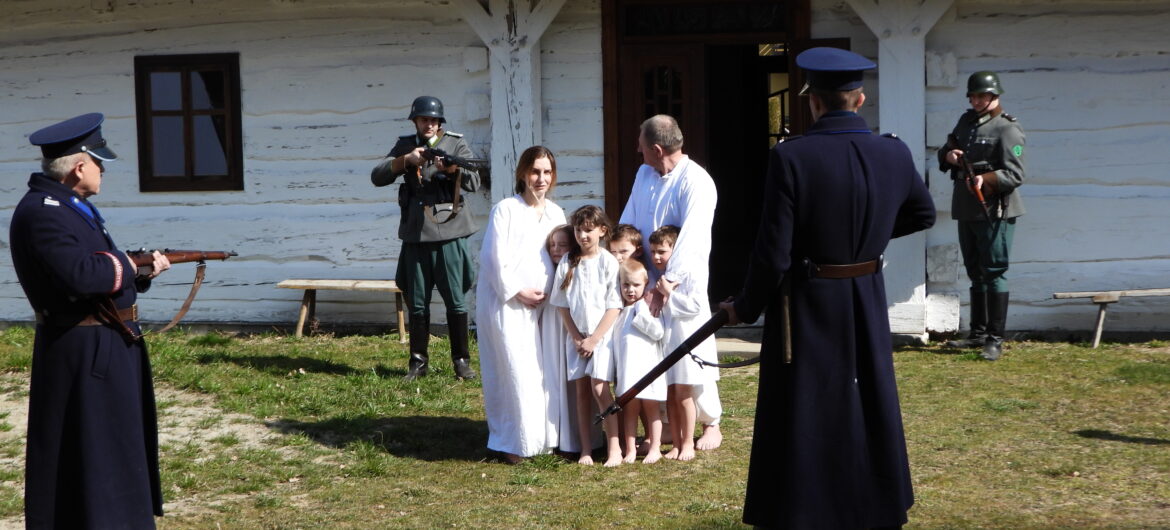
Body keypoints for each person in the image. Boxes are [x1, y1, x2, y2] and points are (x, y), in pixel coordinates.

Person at [718, 47, 936, 528]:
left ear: (813, 102)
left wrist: (746, 306)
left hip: (808, 301)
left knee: (808, 406)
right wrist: (869, 239)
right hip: (866, 295)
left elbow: (774, 252)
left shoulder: (792, 157)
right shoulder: (893, 151)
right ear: (858, 99)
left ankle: (804, 508)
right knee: (868, 398)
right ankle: (875, 505)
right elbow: (923, 213)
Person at [10, 113, 172, 527]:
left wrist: (141, 271)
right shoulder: (44, 211)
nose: (103, 170)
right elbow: (82, 274)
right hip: (82, 350)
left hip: (103, 342)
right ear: (80, 165)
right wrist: (130, 265)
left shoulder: (71, 207)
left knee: (113, 446)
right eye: (99, 162)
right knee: (94, 451)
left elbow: (102, 272)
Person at [618, 114, 724, 451]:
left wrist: (667, 284)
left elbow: (693, 238)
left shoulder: (697, 181)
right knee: (653, 351)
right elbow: (630, 219)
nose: (636, 149)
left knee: (689, 350)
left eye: (640, 143)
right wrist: (626, 262)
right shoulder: (645, 174)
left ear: (656, 148)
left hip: (682, 283)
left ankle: (711, 422)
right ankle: (663, 424)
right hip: (646, 280)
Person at [371, 95, 481, 380]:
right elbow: (378, 175)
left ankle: (461, 361)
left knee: (456, 301)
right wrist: (406, 160)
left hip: (450, 232)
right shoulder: (405, 145)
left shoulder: (455, 143)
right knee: (417, 301)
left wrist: (453, 169)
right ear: (415, 122)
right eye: (423, 119)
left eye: (433, 120)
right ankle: (417, 363)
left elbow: (476, 180)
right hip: (417, 233)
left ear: (440, 122)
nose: (429, 124)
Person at [476, 145, 566, 463]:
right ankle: (511, 442)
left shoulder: (556, 213)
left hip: (546, 307)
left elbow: (562, 257)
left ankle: (545, 437)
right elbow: (492, 258)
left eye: (547, 172)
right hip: (508, 305)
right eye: (535, 171)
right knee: (514, 370)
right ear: (522, 173)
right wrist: (518, 291)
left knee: (544, 373)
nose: (541, 178)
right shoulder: (506, 209)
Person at [939, 71, 1026, 361]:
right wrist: (948, 156)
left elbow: (1015, 174)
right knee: (975, 271)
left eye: (980, 96)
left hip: (994, 208)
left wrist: (986, 180)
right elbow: (949, 150)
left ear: (994, 95)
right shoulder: (966, 122)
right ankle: (976, 334)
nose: (975, 101)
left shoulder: (1007, 128)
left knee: (994, 272)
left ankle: (995, 339)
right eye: (972, 96)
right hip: (966, 206)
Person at [550, 205, 623, 466]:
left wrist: (594, 339)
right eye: (579, 230)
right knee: (581, 392)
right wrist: (576, 338)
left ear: (602, 231)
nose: (583, 235)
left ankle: (614, 447)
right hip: (578, 340)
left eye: (589, 230)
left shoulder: (607, 261)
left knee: (600, 388)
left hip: (601, 337)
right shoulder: (569, 261)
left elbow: (614, 305)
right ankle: (586, 449)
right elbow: (561, 304)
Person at [649, 225, 718, 462]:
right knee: (670, 394)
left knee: (684, 394)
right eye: (653, 252)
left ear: (675, 250)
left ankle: (688, 441)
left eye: (661, 252)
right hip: (668, 342)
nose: (656, 257)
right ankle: (676, 444)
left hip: (687, 340)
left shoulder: (692, 271)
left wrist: (668, 293)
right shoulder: (660, 275)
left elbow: (696, 306)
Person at [611, 258, 666, 464]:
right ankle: (631, 448)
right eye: (626, 284)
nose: (630, 290)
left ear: (645, 285)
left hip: (647, 369)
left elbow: (657, 332)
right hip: (627, 371)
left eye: (636, 285)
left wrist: (640, 316)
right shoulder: (619, 311)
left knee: (651, 409)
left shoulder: (644, 308)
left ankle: (655, 447)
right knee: (630, 410)